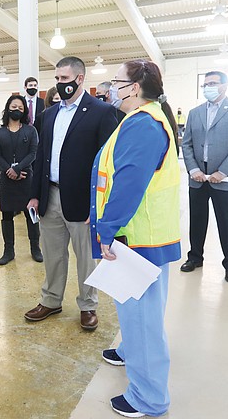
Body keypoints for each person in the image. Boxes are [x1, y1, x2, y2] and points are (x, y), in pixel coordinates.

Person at [92, 59, 181, 418]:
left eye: (117, 81)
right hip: (144, 234)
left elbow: (128, 183)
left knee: (143, 321)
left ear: (135, 87)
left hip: (137, 237)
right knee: (135, 311)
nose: (111, 87)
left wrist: (106, 228)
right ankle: (129, 349)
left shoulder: (145, 124)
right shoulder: (146, 118)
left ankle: (149, 397)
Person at [25, 56, 117, 330]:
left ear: (79, 78)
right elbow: (41, 157)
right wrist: (35, 194)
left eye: (64, 79)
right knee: (53, 253)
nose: (59, 83)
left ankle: (88, 305)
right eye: (56, 79)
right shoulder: (49, 114)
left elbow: (107, 162)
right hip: (50, 195)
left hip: (82, 200)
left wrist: (98, 204)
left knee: (85, 257)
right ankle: (51, 299)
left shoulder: (101, 112)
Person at [180, 71, 228, 284]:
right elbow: (187, 143)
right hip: (199, 179)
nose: (208, 87)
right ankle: (195, 257)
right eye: (205, 84)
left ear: (225, 86)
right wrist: (194, 170)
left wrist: (223, 172)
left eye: (212, 83)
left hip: (225, 180)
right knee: (197, 220)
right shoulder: (195, 112)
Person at [0, 95, 40, 265]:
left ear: (24, 111)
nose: (17, 110)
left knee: (31, 215)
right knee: (6, 215)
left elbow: (33, 153)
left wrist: (18, 169)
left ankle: (35, 248)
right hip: (6, 180)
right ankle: (8, 250)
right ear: (7, 108)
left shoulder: (30, 130)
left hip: (26, 178)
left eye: (20, 108)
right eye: (14, 107)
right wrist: (10, 171)